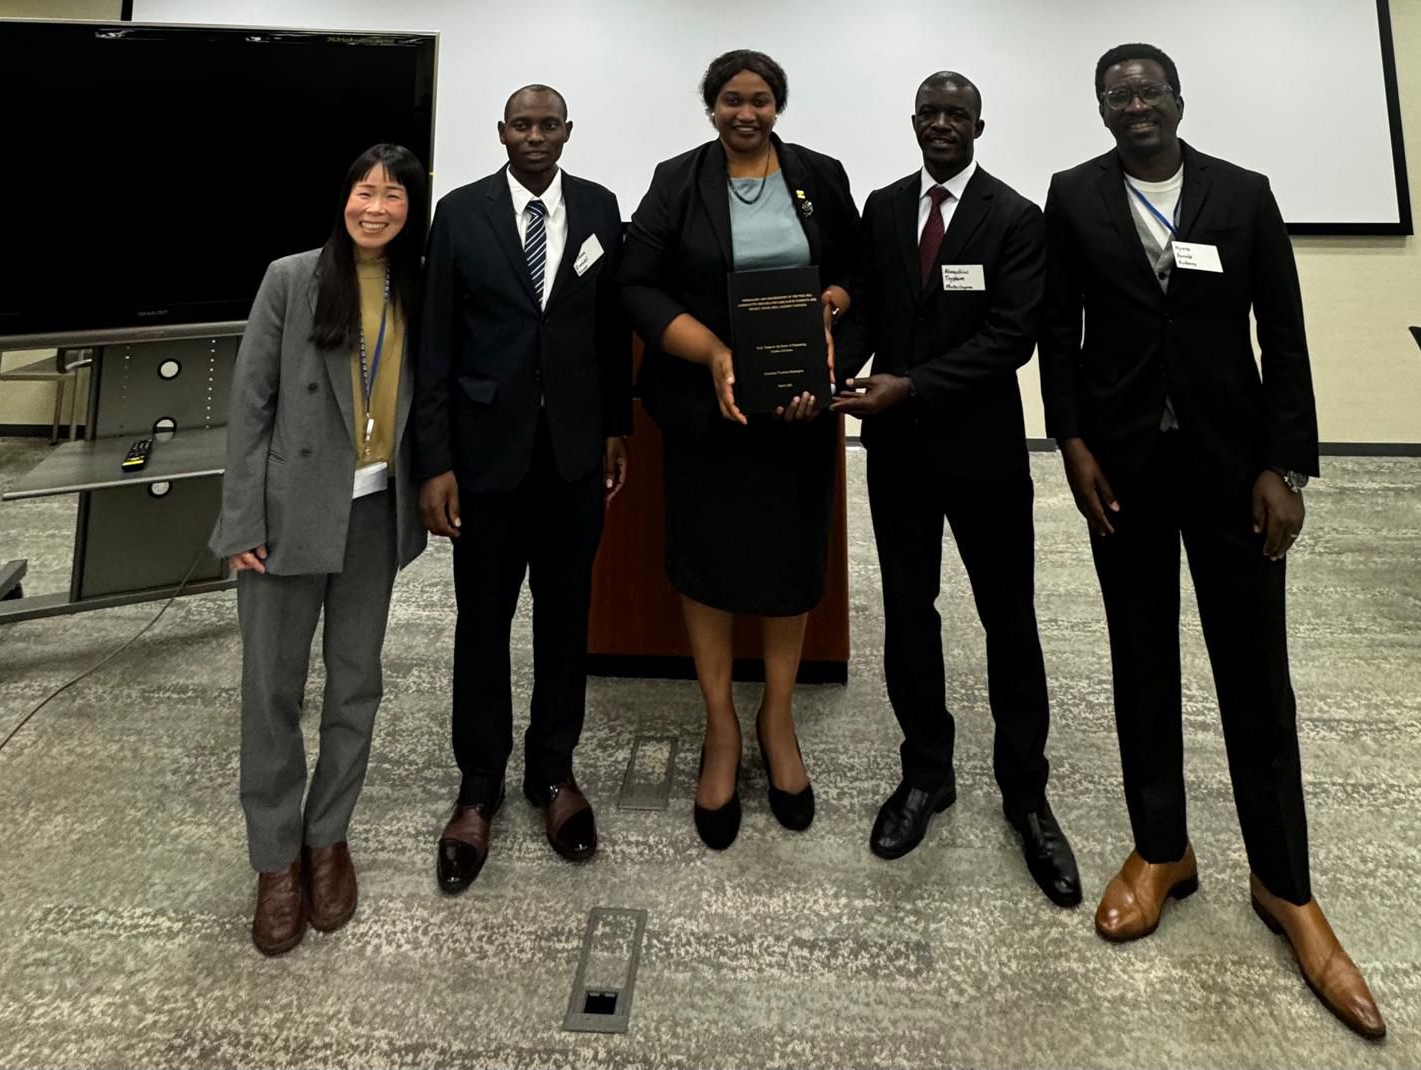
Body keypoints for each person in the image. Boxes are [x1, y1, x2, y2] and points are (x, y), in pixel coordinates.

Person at [1039, 43, 1385, 1038]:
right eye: (1117, 94)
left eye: (1149, 90)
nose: (1135, 104)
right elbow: (1058, 330)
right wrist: (1070, 442)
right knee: (1140, 657)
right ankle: (1163, 850)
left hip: (1234, 469)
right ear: (1101, 110)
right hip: (1122, 467)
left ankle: (1284, 884)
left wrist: (1286, 466)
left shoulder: (1243, 194)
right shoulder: (1073, 196)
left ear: (1179, 101)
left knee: (1255, 672)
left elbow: (1285, 333)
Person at [830, 73, 1079, 906]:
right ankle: (926, 774)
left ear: (979, 126)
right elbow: (869, 312)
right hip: (897, 453)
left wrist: (911, 386)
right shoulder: (884, 206)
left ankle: (1026, 795)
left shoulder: (1015, 217)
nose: (942, 124)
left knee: (1009, 620)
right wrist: (831, 364)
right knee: (909, 613)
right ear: (914, 123)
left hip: (984, 453)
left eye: (957, 115)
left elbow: (1013, 338)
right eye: (930, 113)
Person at [618, 49, 858, 850]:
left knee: (790, 569)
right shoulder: (677, 180)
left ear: (777, 106)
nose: (745, 113)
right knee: (708, 567)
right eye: (730, 100)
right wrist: (716, 353)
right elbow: (638, 285)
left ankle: (776, 720)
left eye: (759, 99)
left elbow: (855, 272)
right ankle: (721, 725)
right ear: (711, 106)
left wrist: (830, 308)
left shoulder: (819, 176)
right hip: (707, 414)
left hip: (796, 415)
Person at [413, 85, 632, 895]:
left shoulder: (600, 207)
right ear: (501, 132)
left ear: (567, 132)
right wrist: (435, 461)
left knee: (567, 618)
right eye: (521, 124)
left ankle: (553, 772)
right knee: (484, 621)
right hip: (484, 458)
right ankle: (479, 785)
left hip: (573, 454)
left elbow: (610, 329)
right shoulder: (459, 214)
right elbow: (436, 343)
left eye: (548, 125)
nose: (535, 136)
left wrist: (616, 426)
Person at [211, 143, 429, 956]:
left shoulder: (418, 283)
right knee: (272, 689)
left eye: (394, 196)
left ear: (411, 209)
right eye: (364, 192)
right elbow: (249, 407)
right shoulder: (291, 278)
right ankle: (275, 860)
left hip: (374, 515)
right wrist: (241, 521)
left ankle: (327, 837)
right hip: (287, 514)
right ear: (344, 199)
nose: (376, 207)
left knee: (355, 684)